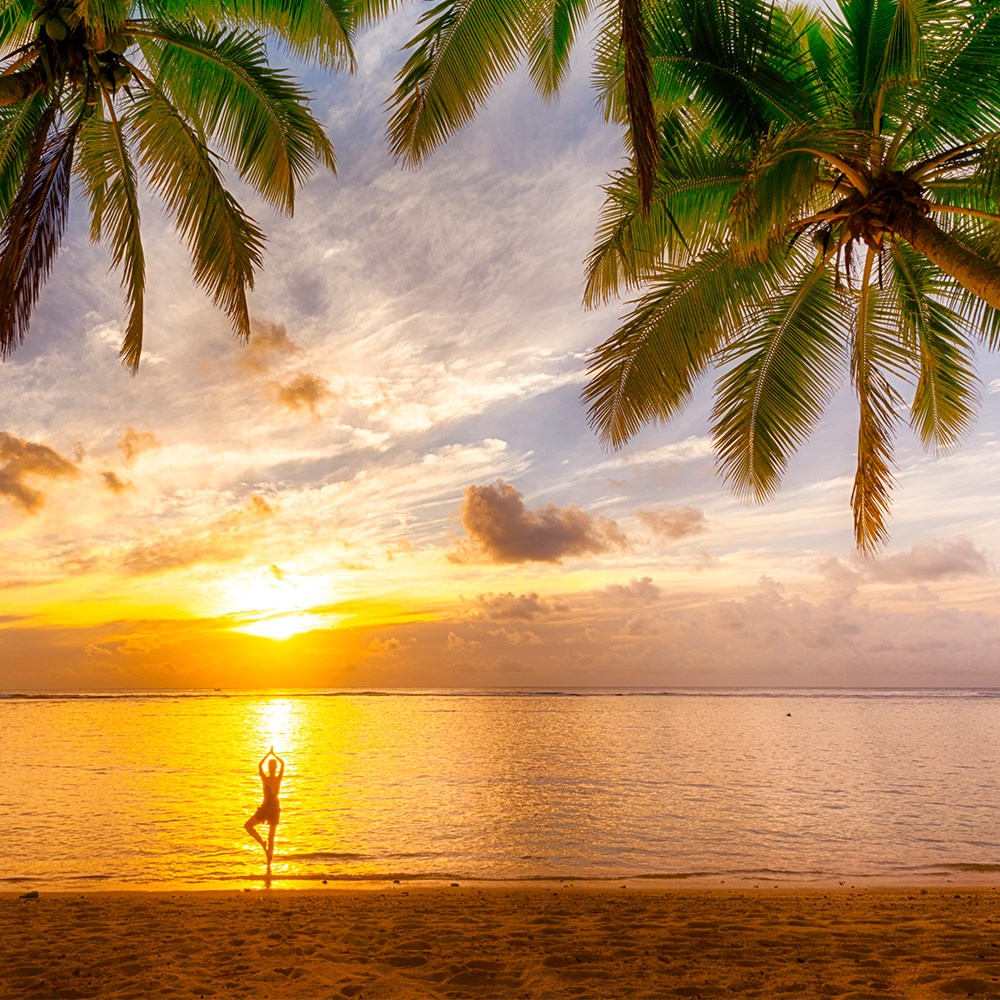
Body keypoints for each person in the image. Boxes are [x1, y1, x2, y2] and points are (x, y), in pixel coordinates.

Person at [244, 746, 284, 866]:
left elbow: (283, 764)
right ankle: (262, 843)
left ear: (275, 768)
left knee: (271, 838)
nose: (272, 768)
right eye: (270, 766)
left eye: (273, 766)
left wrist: (274, 755)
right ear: (269, 767)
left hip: (274, 809)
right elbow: (259, 765)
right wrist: (268, 754)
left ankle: (268, 866)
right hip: (265, 807)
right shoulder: (264, 778)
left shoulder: (278, 778)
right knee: (248, 826)